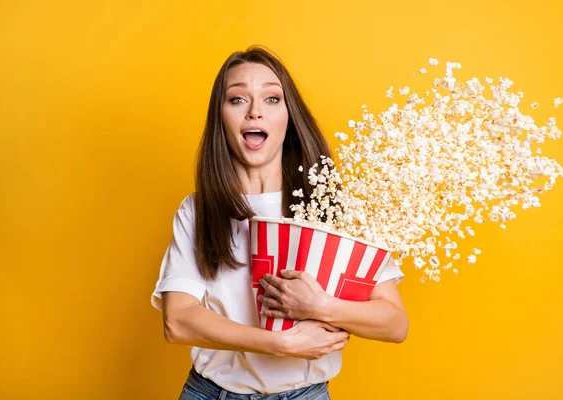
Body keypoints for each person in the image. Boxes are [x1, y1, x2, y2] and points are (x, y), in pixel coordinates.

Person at [151, 45, 409, 400]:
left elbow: (395, 324)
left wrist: (319, 307)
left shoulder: (330, 208)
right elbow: (177, 321)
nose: (255, 112)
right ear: (220, 118)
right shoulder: (199, 210)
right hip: (210, 392)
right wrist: (279, 344)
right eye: (238, 99)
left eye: (272, 99)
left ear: (289, 118)